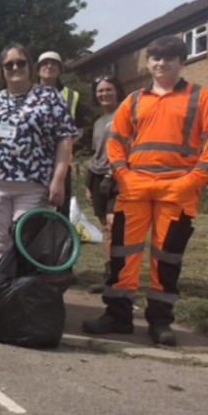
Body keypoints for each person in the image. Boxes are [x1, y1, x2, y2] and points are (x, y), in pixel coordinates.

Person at [83, 36, 208, 346]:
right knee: (123, 255)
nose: (161, 63)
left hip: (178, 190)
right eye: (155, 58)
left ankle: (160, 322)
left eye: (169, 58)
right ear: (149, 63)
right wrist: (122, 174)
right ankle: (118, 316)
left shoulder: (201, 97)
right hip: (134, 187)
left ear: (182, 61)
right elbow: (115, 141)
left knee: (167, 259)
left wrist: (193, 180)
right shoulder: (134, 100)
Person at [0, 44, 78, 266]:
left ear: (30, 66)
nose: (15, 67)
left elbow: (65, 139)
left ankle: (21, 296)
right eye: (9, 64)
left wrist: (59, 179)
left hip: (34, 185)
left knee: (26, 239)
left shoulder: (49, 97)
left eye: (20, 62)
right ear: (1, 70)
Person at [37, 51, 93, 220]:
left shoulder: (71, 96)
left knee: (59, 207)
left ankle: (59, 245)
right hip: (33, 162)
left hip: (61, 163)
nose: (49, 66)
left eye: (53, 63)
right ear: (38, 69)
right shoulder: (28, 93)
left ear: (61, 69)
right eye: (45, 63)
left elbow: (80, 129)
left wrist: (61, 146)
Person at [84, 76, 125, 294]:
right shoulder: (99, 122)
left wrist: (113, 174)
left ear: (117, 91)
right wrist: (88, 183)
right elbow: (95, 155)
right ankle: (109, 276)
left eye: (108, 90)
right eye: (100, 91)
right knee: (104, 228)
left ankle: (121, 276)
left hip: (118, 177)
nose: (104, 94)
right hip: (97, 176)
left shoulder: (125, 114)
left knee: (113, 224)